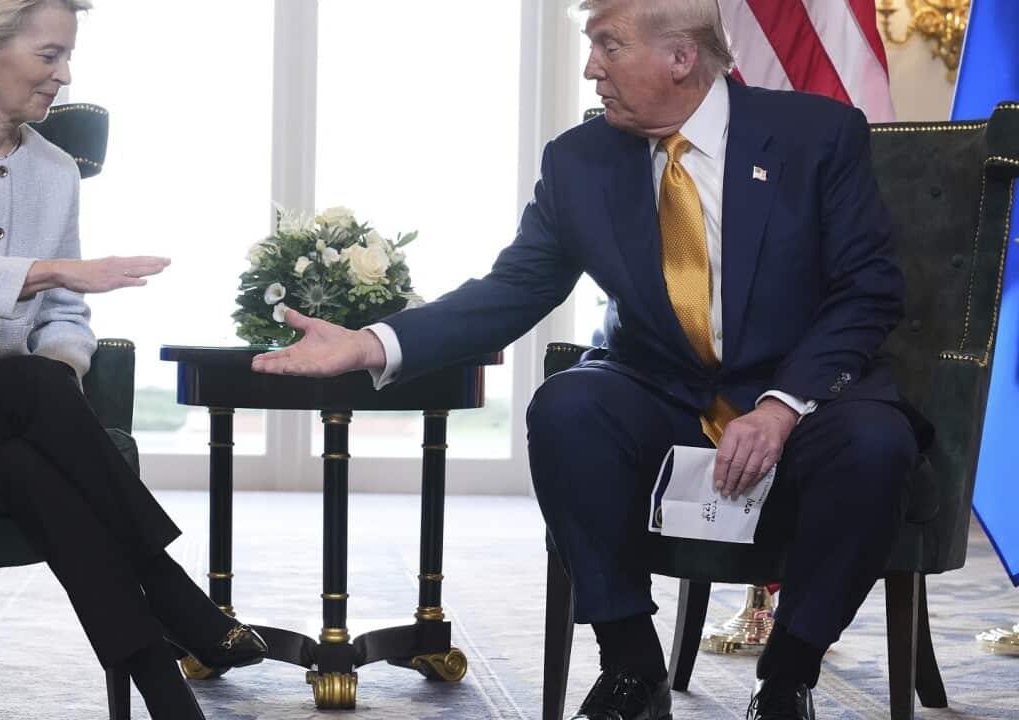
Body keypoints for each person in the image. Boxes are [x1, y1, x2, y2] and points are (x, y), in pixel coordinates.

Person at [251, 1, 931, 718]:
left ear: (681, 58)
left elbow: (868, 292)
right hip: (663, 394)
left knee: (875, 444)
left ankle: (788, 677)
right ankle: (633, 668)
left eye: (609, 46)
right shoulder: (580, 160)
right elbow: (514, 290)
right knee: (568, 406)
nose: (590, 69)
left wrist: (780, 406)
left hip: (799, 396)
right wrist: (372, 342)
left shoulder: (815, 134)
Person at [0, 1, 266, 717]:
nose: (64, 76)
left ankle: (164, 690)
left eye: (66, 57)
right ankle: (180, 597)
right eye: (50, 55)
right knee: (29, 390)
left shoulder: (56, 169)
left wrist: (57, 380)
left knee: (31, 464)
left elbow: (65, 319)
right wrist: (55, 275)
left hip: (3, 403)